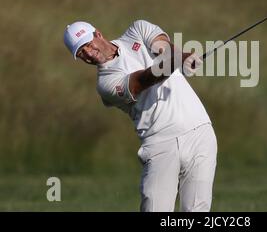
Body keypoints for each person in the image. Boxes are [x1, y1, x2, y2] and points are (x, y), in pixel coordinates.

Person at [63, 19, 217, 212]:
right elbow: (144, 79)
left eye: (87, 45)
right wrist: (175, 61)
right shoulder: (106, 84)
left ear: (98, 35)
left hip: (199, 131)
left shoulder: (138, 30)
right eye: (80, 53)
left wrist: (183, 56)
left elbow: (167, 50)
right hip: (160, 144)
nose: (87, 53)